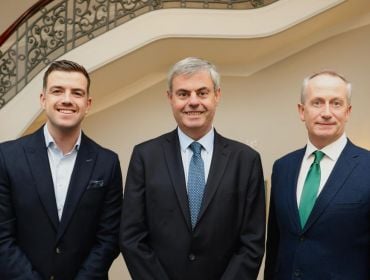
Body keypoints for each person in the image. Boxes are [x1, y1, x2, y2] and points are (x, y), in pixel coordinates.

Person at [120, 57, 266, 280]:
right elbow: (132, 237)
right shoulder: (145, 157)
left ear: (217, 95)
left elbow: (252, 242)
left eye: (202, 92)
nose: (193, 101)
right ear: (170, 98)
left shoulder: (245, 160)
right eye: (183, 94)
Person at [0, 60, 123, 279]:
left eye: (77, 93)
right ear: (43, 99)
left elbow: (109, 239)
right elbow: (2, 237)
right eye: (57, 91)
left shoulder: (108, 162)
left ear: (88, 103)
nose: (67, 100)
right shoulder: (6, 157)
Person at [264, 70, 370, 279]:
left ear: (348, 112)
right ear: (302, 111)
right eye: (317, 102)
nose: (327, 112)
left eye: (336, 103)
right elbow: (275, 245)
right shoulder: (283, 168)